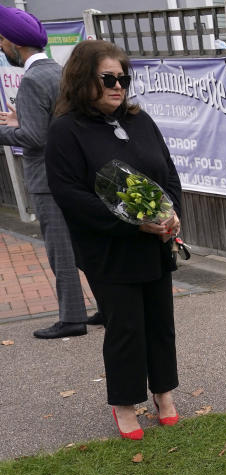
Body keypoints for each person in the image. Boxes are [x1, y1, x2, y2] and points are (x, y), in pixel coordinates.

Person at [45, 40, 182, 440]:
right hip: (109, 249)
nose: (118, 86)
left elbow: (168, 172)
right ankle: (124, 404)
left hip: (155, 242)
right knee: (125, 327)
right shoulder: (66, 131)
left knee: (160, 323)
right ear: (83, 79)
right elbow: (70, 195)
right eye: (108, 78)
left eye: (123, 78)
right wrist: (131, 224)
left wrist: (169, 214)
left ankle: (163, 393)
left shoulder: (140, 120)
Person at [0, 7, 100, 339]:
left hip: (46, 180)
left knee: (61, 251)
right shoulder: (59, 73)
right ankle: (112, 306)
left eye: (2, 42)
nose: (2, 48)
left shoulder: (30, 81)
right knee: (85, 247)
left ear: (14, 43)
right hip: (76, 176)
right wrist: (22, 122)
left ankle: (71, 318)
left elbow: (34, 138)